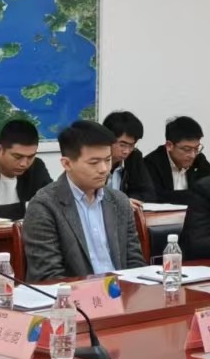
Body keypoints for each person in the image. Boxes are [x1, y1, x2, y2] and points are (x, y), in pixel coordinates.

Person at [22, 120, 148, 281]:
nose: (104, 169)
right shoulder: (44, 206)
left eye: (108, 160)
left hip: (121, 291)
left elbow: (135, 264)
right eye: (94, 163)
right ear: (67, 164)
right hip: (74, 295)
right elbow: (49, 277)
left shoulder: (119, 201)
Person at [102, 109, 156, 201]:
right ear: (107, 138)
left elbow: (148, 193)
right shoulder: (94, 159)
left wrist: (127, 200)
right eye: (122, 145)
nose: (127, 151)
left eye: (132, 145)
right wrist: (121, 201)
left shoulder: (134, 157)